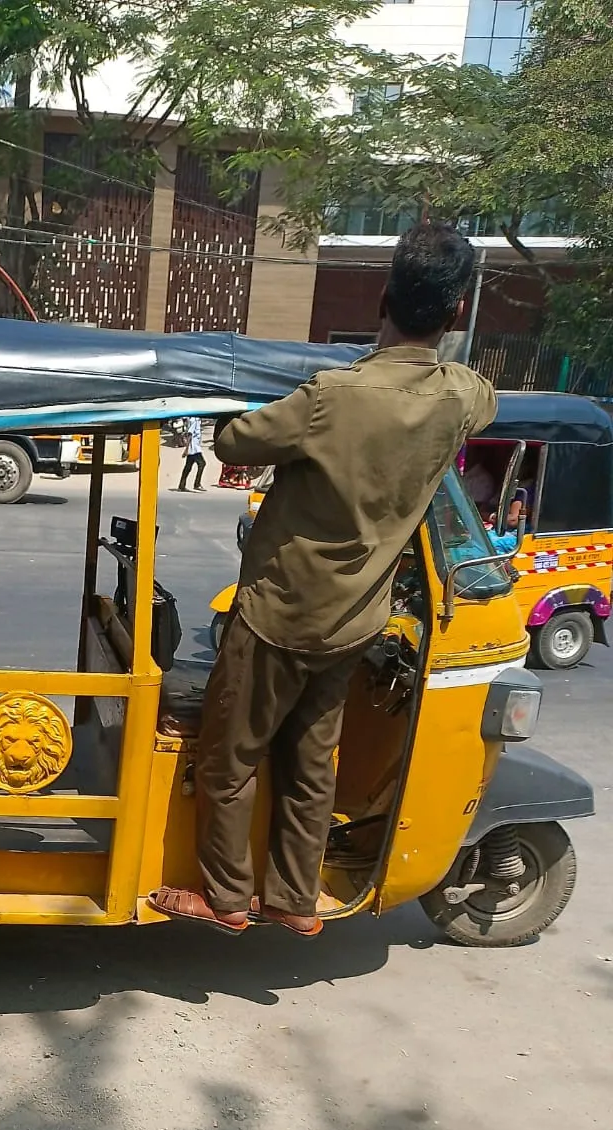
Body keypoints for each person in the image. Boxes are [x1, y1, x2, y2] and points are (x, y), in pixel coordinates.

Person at [149, 222, 497, 938]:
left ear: (382, 296)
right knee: (312, 762)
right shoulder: (461, 398)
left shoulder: (330, 397)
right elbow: (480, 395)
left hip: (279, 612)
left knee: (230, 758)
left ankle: (225, 898)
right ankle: (293, 900)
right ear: (456, 312)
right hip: (355, 623)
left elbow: (234, 441)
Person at [177, 416, 207, 491]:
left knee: (188, 467)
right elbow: (190, 434)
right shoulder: (194, 420)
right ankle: (197, 484)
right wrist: (186, 449)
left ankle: (182, 485)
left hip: (194, 447)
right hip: (194, 448)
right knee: (202, 464)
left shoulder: (195, 419)